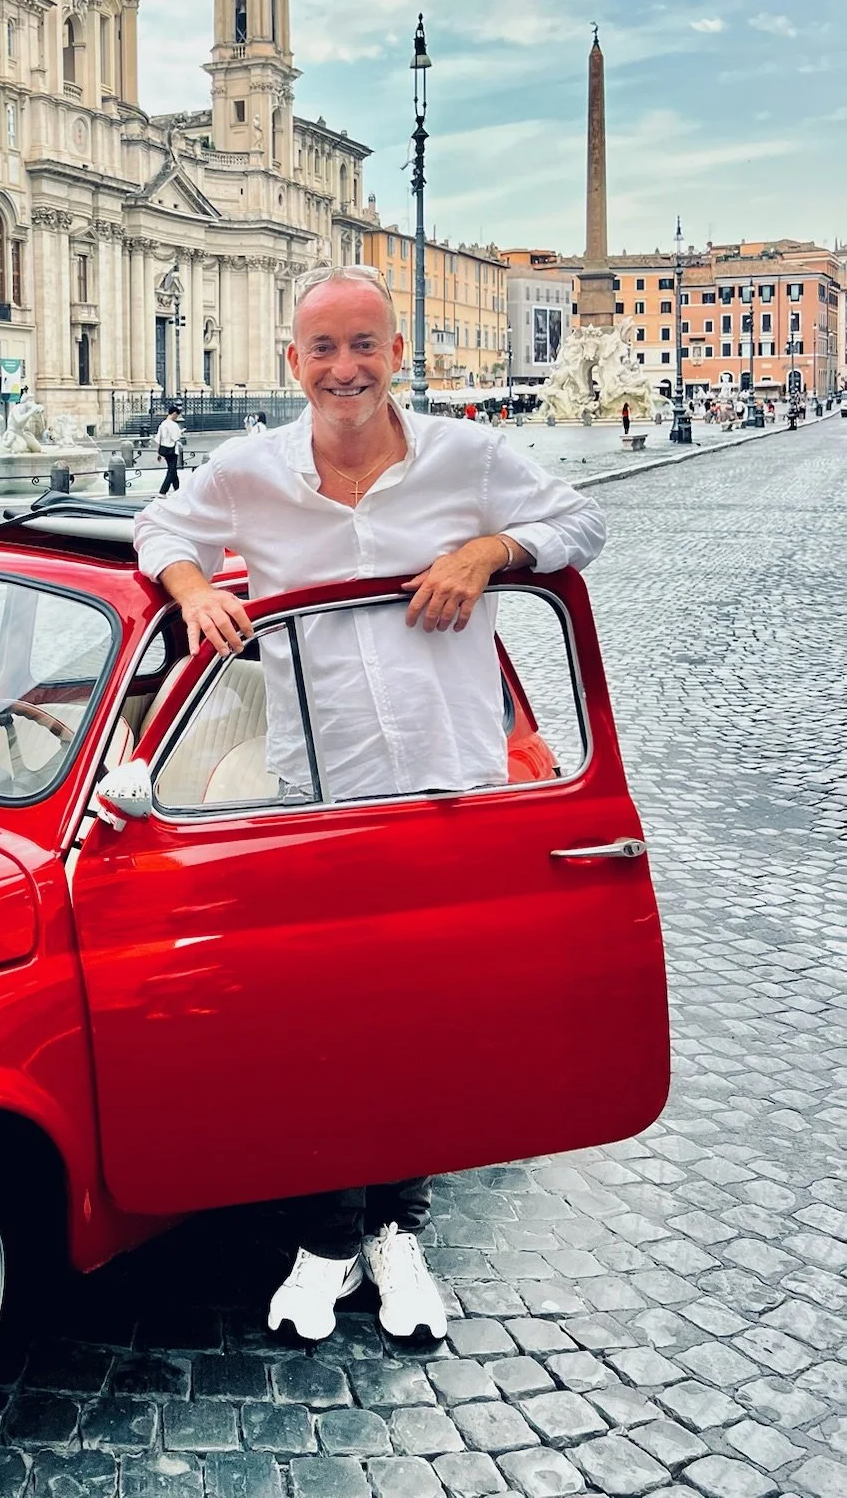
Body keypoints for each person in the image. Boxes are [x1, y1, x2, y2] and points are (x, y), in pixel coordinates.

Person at [132, 264, 606, 1343]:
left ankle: (397, 1230)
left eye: (364, 344)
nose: (345, 368)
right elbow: (161, 528)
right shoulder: (251, 471)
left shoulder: (467, 456)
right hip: (321, 784)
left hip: (450, 775)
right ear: (292, 363)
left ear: (396, 352)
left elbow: (580, 520)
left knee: (425, 1017)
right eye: (324, 349)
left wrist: (487, 550)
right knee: (325, 1018)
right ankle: (329, 1234)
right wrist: (196, 584)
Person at [155, 405, 185, 495]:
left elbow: (158, 439)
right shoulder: (173, 425)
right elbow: (175, 437)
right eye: (177, 415)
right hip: (172, 449)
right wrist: (181, 432)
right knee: (171, 471)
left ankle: (178, 490)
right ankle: (163, 491)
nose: (177, 417)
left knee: (173, 470)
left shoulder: (163, 424)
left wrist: (158, 453)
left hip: (164, 449)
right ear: (174, 413)